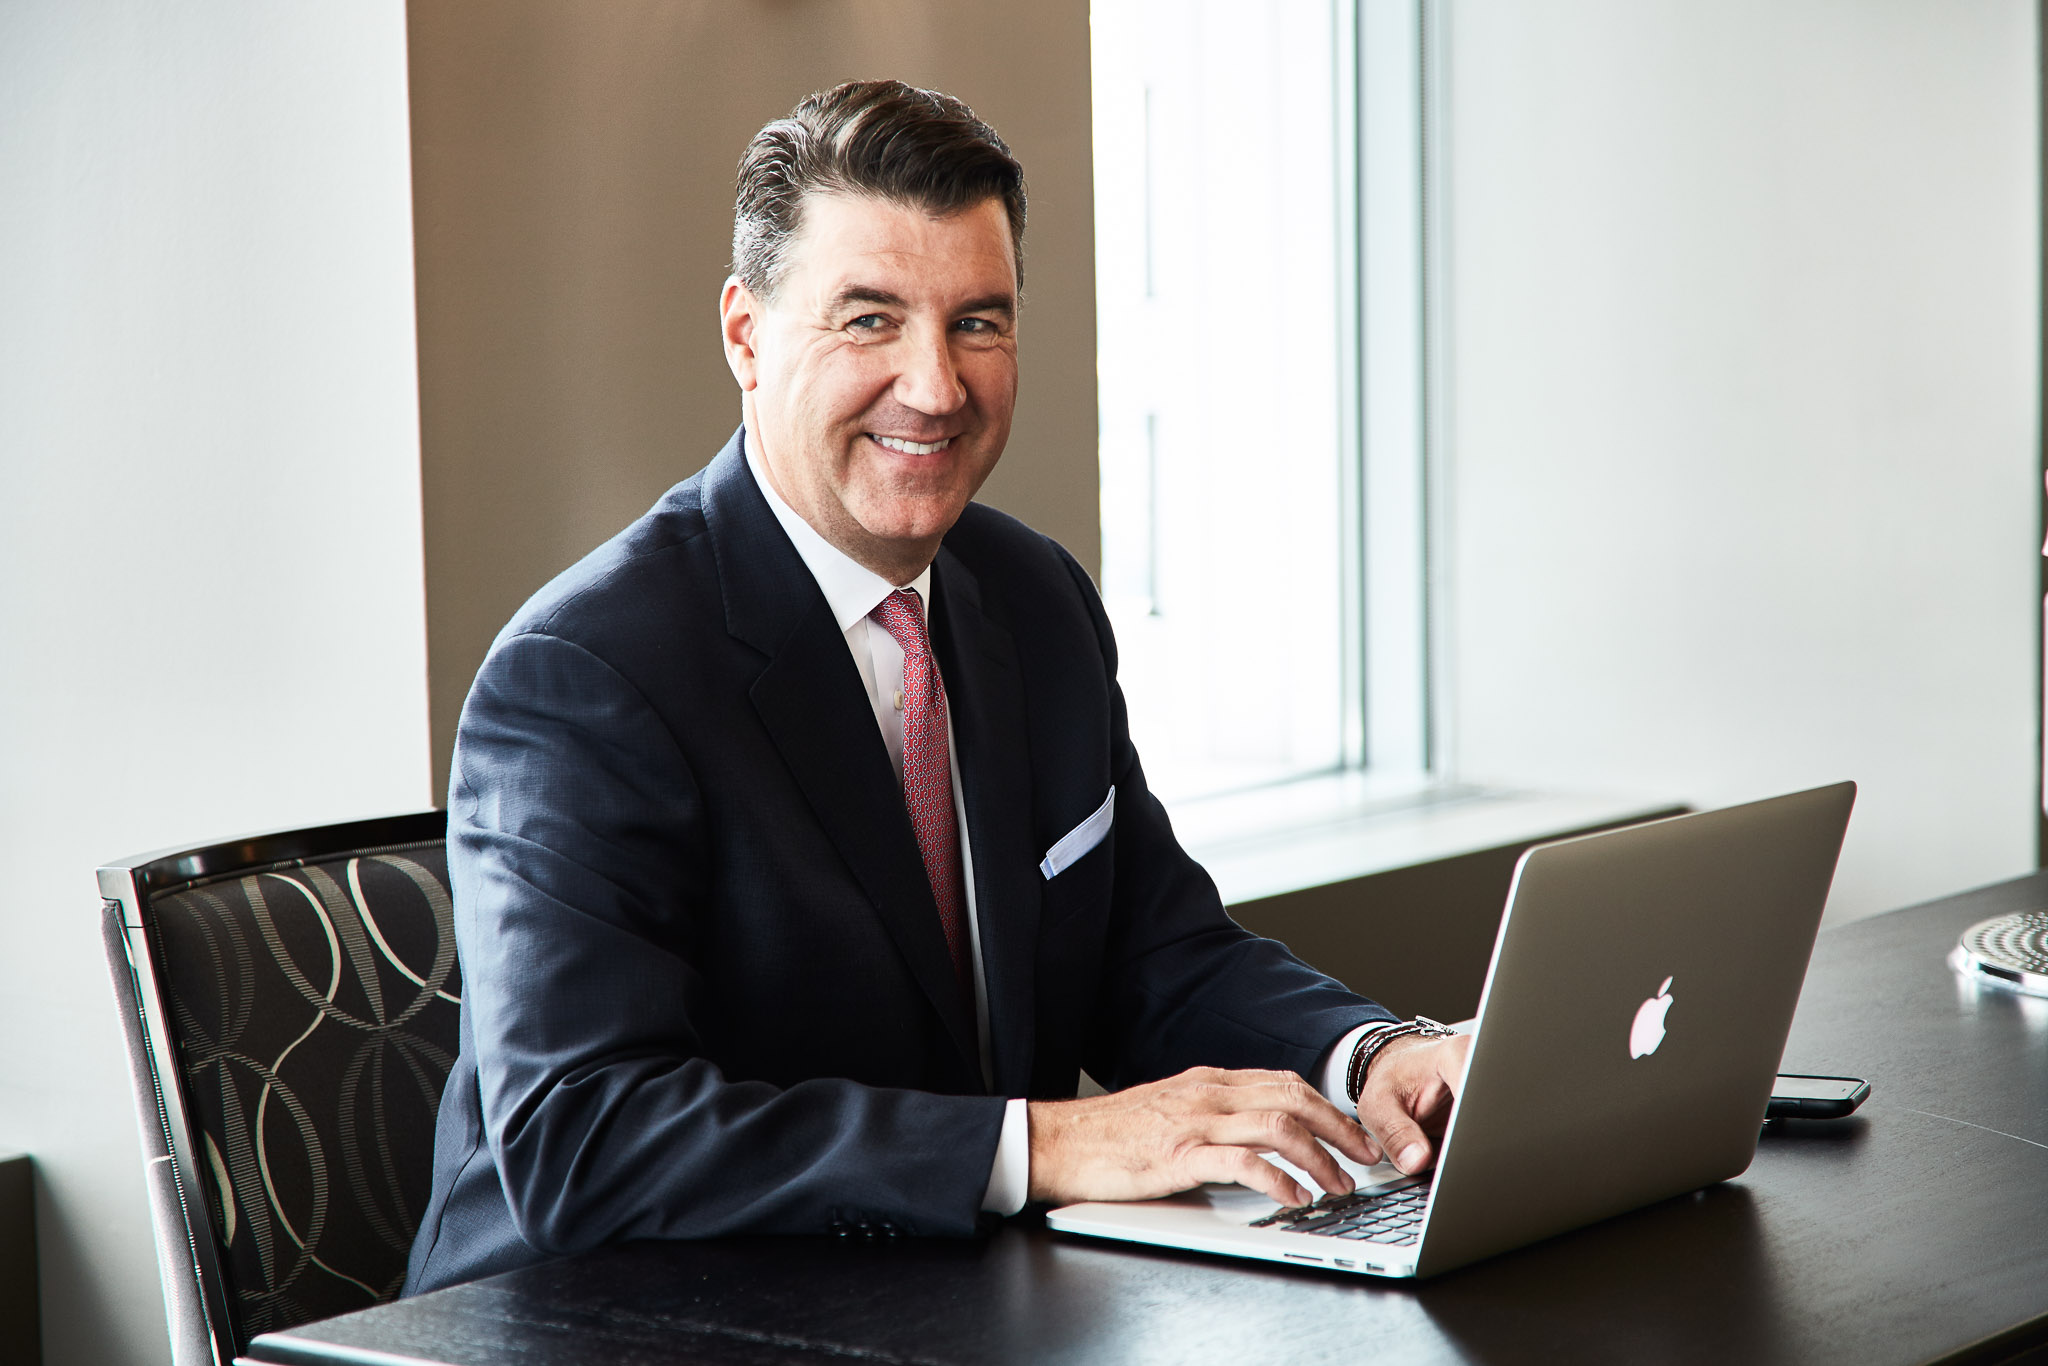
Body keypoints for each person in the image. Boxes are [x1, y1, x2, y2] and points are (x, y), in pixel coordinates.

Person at [403, 79, 1470, 1295]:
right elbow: (581, 1136)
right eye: (867, 319)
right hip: (592, 1316)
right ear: (746, 337)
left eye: (977, 321)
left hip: (923, 1297)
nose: (935, 387)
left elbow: (1148, 951)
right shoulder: (587, 674)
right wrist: (1044, 1141)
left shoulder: (1031, 596)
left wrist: (1369, 1055)